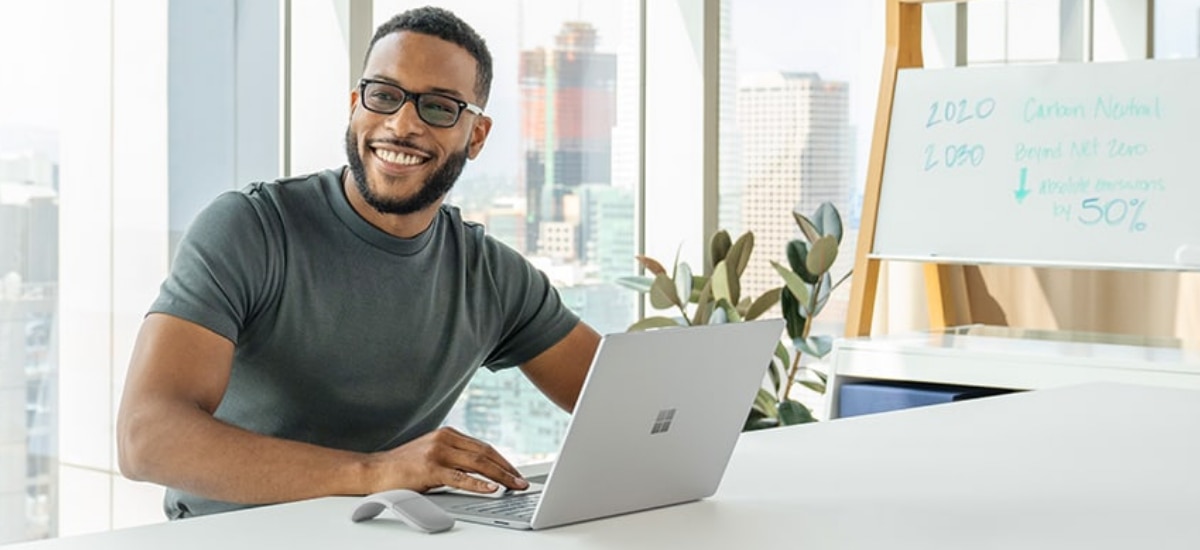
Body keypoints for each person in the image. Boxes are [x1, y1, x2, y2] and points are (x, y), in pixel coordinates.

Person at [116, 6, 601, 519]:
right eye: (384, 96)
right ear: (355, 105)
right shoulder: (252, 229)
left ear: (476, 136)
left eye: (438, 107)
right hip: (229, 537)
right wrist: (374, 473)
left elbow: (625, 406)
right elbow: (145, 438)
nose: (401, 124)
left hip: (385, 535)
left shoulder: (491, 277)